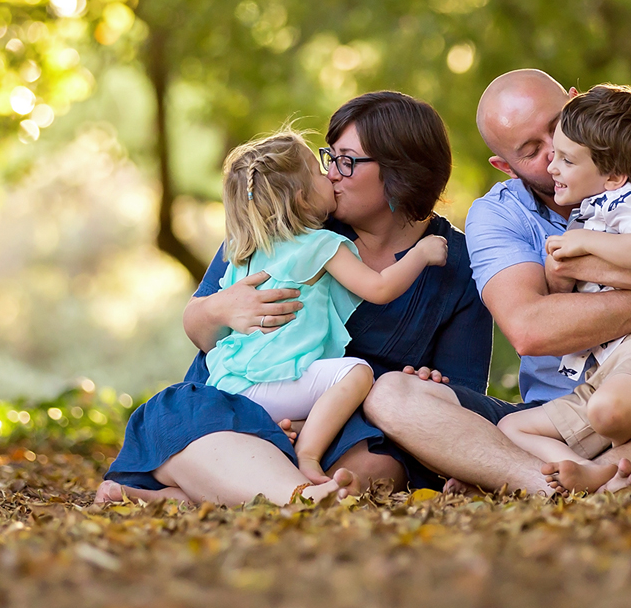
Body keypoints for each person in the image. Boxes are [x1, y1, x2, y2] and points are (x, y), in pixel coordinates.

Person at [364, 69, 631, 496]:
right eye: (532, 150)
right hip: (556, 425)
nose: (555, 152)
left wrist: (575, 264)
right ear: (506, 167)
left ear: (576, 102)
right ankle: (561, 485)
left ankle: (531, 479)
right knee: (392, 395)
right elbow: (531, 329)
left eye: (557, 126)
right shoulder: (498, 213)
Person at [96, 91, 491, 507]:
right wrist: (221, 307)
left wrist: (427, 387)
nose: (332, 174)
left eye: (347, 161)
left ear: (401, 172)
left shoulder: (460, 265)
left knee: (372, 466)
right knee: (186, 419)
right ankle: (298, 495)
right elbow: (197, 325)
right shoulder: (288, 223)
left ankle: (203, 492)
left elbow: (460, 394)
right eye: (329, 158)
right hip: (239, 400)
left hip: (351, 421)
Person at [202, 129, 447, 483]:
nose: (330, 174)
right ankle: (309, 453)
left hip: (228, 381)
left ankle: (289, 428)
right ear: (302, 200)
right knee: (355, 374)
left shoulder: (247, 252)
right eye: (319, 172)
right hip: (266, 384)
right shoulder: (319, 245)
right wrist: (421, 254)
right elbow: (379, 288)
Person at [496, 84, 631, 480]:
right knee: (512, 428)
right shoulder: (589, 211)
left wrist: (584, 244)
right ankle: (593, 473)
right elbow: (561, 299)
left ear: (614, 175)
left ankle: (610, 466)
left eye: (567, 160)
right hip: (601, 370)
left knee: (606, 413)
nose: (553, 165)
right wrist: (558, 272)